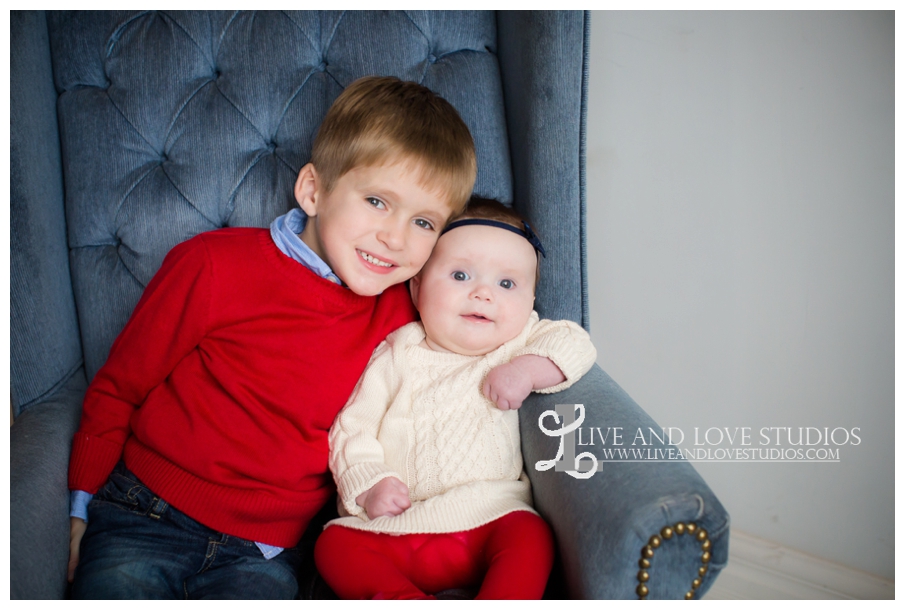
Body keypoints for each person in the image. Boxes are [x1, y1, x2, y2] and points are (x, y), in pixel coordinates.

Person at [66, 75, 478, 599]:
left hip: (266, 551)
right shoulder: (212, 265)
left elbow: (494, 317)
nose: (395, 237)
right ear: (313, 190)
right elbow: (119, 386)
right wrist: (79, 509)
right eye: (377, 201)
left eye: (424, 222)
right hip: (146, 512)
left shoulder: (408, 313)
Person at [314, 199, 598, 600]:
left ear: (530, 303)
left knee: (532, 536)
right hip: (400, 527)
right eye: (461, 275)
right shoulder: (397, 352)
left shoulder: (519, 342)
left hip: (489, 517)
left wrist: (526, 370)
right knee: (334, 547)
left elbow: (576, 343)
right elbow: (353, 428)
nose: (483, 294)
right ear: (417, 287)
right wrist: (369, 485)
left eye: (507, 284)